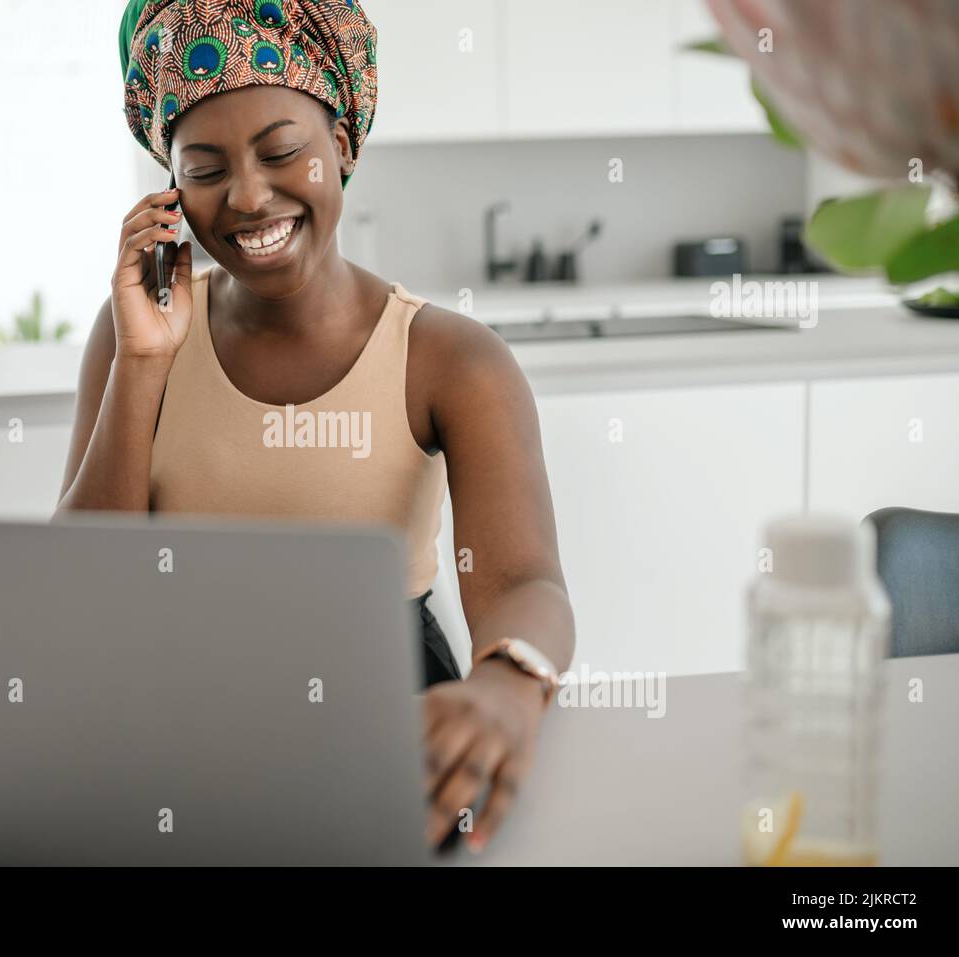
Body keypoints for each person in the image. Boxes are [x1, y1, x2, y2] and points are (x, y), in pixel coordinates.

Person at [57, 0, 575, 853]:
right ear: (170, 187)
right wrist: (143, 366)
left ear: (343, 142)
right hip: (181, 731)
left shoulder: (450, 357)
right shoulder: (134, 334)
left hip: (391, 722)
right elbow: (82, 590)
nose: (250, 196)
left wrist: (504, 684)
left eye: (283, 151)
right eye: (206, 166)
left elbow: (525, 580)